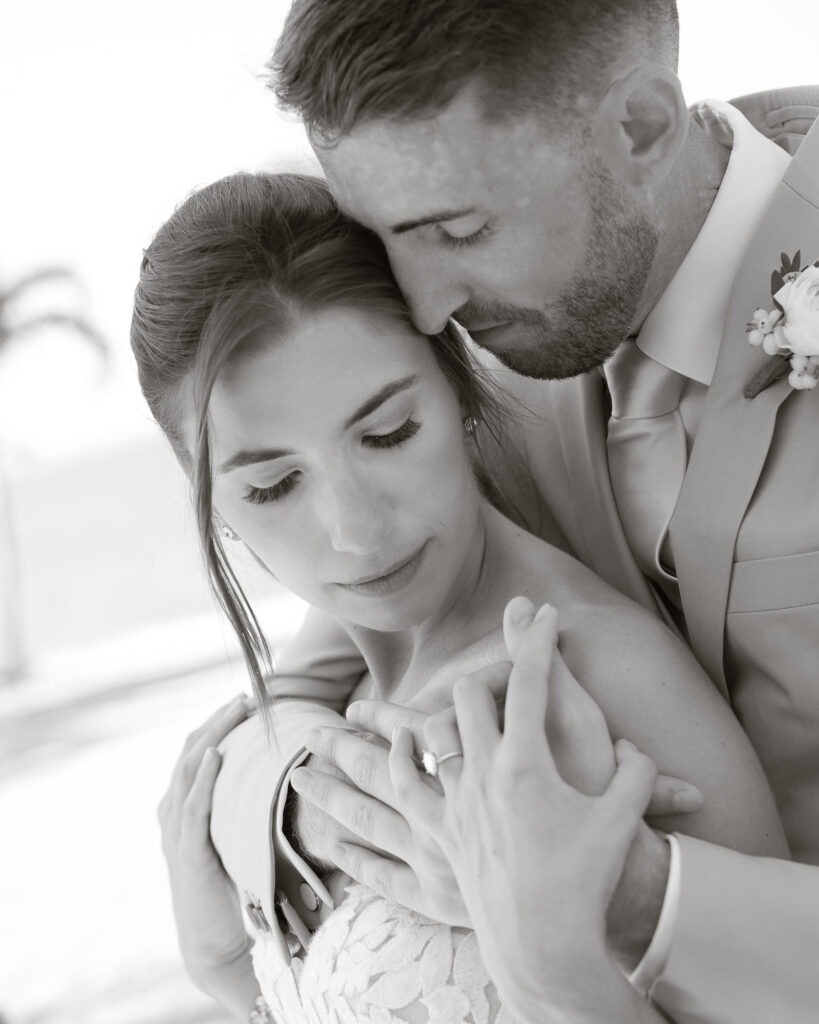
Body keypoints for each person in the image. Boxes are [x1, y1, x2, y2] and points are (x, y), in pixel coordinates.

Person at [185, 1, 819, 1021]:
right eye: (389, 242)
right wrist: (312, 815)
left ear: (643, 128)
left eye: (458, 230)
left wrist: (617, 891)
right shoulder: (495, 352)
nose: (428, 310)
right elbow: (297, 698)